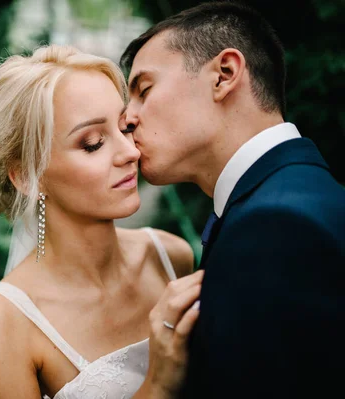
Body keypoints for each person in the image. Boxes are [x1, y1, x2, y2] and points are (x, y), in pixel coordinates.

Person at [120, 2, 345, 398]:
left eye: (144, 89)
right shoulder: (300, 193)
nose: (127, 118)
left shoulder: (275, 228)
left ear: (224, 75)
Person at [0, 44, 203, 399]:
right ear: (28, 177)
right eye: (92, 143)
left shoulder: (171, 256)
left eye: (125, 128)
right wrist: (159, 384)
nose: (130, 152)